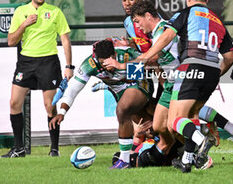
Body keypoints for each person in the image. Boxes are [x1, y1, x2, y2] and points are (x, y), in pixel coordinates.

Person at [134, 0, 233, 173]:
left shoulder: (180, 18)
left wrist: (141, 59)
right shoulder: (217, 21)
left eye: (138, 21)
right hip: (208, 72)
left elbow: (166, 44)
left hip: (187, 72)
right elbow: (229, 58)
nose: (138, 26)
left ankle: (200, 144)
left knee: (176, 121)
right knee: (180, 119)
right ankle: (188, 158)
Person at [49, 39, 154, 169]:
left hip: (137, 84)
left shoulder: (127, 54)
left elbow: (147, 63)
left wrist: (122, 66)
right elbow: (73, 89)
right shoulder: (90, 65)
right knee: (150, 126)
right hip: (121, 93)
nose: (108, 63)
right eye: (103, 61)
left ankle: (124, 160)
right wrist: (62, 112)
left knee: (122, 110)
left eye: (111, 58)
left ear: (114, 54)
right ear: (97, 58)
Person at [2, 0, 73, 158]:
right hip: (26, 62)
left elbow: (65, 39)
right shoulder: (21, 12)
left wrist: (69, 66)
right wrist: (25, 24)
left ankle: (54, 149)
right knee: (14, 103)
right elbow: (11, 41)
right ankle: (19, 148)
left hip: (48, 61)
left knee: (50, 106)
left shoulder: (55, 12)